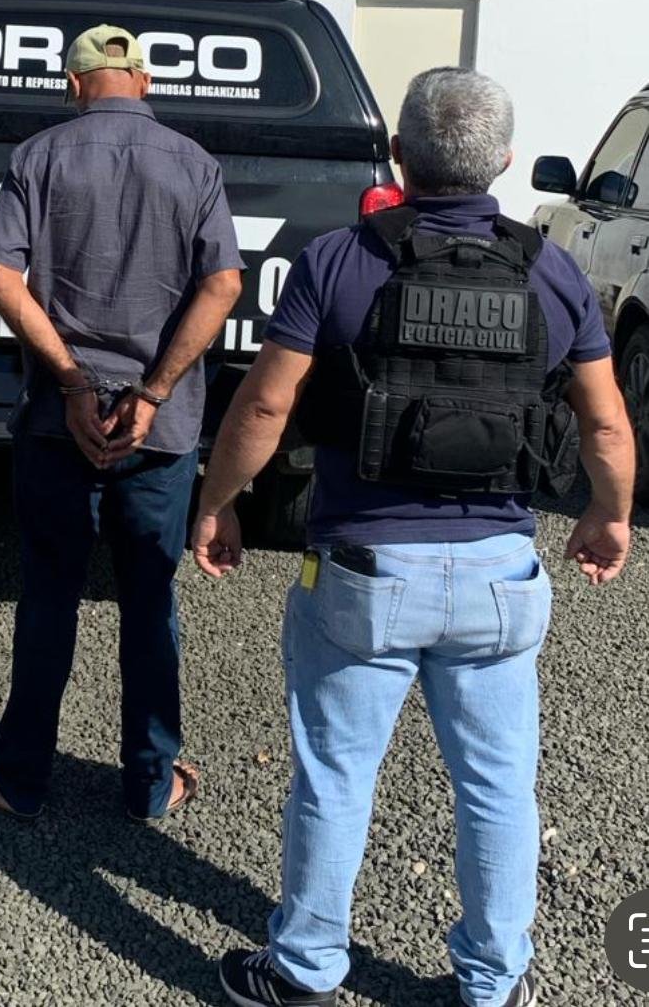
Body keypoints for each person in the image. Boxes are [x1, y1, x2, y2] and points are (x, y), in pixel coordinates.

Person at [193, 68, 635, 1007]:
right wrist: (609, 515)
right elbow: (604, 422)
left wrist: (220, 501)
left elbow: (266, 404)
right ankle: (494, 982)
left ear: (398, 155)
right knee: (498, 787)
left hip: (366, 569)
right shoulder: (552, 272)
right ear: (505, 161)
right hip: (499, 576)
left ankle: (305, 970)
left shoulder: (338, 260)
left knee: (334, 777)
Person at [0, 24, 243, 822]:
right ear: (144, 81)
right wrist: (153, 392)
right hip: (160, 430)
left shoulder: (38, 156)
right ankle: (150, 783)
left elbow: (0, 278)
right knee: (150, 604)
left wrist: (75, 382)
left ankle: (18, 776)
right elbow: (223, 285)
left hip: (57, 421)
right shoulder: (196, 164)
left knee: (49, 596)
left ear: (73, 84)